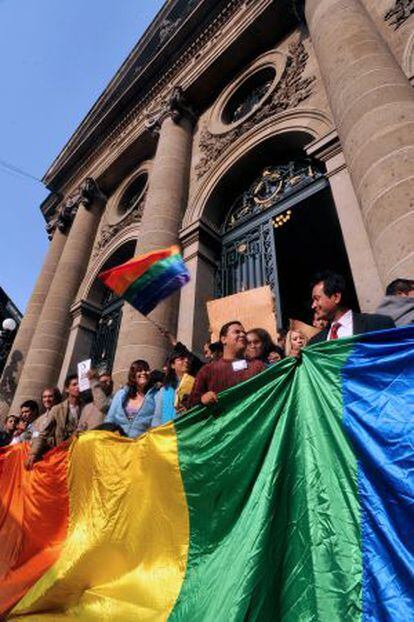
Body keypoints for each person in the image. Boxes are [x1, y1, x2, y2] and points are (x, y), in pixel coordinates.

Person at [189, 321, 266, 407]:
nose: (242, 335)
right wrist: (202, 399)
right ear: (223, 339)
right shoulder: (208, 370)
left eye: (244, 332)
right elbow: (191, 403)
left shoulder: (258, 367)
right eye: (237, 332)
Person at [309, 271, 395, 344]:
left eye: (317, 299)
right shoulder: (315, 343)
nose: (313, 305)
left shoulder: (378, 324)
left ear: (336, 297)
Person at [25, 375, 83, 469]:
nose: (78, 387)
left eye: (50, 396)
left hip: (79, 456)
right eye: (75, 384)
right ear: (67, 389)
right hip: (60, 458)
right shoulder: (57, 410)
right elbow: (43, 434)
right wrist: (33, 454)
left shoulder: (86, 407)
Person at [104, 360, 158, 438]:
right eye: (139, 370)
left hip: (140, 445)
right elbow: (110, 419)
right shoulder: (121, 394)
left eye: (146, 370)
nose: (143, 373)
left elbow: (156, 423)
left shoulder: (155, 396)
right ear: (133, 374)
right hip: (118, 443)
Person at [152, 344, 195, 427]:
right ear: (172, 365)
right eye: (181, 359)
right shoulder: (164, 390)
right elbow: (157, 417)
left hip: (185, 433)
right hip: (165, 435)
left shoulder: (195, 386)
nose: (186, 361)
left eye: (187, 359)